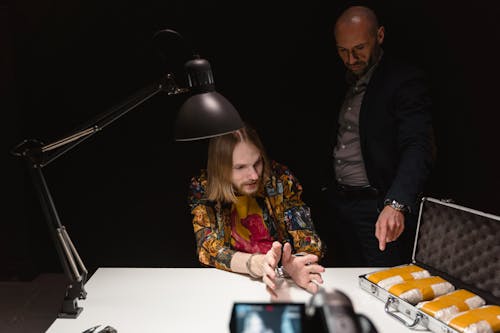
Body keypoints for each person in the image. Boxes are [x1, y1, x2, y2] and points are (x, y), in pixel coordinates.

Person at [323, 5, 434, 267]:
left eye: (359, 48)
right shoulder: (336, 80)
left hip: (377, 208)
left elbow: (418, 146)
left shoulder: (404, 81)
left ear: (380, 36)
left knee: (382, 284)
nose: (350, 59)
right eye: (343, 50)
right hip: (337, 204)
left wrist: (396, 203)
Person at [188, 125, 325, 294]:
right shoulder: (203, 186)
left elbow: (306, 233)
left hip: (281, 281)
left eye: (257, 163)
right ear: (220, 168)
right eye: (240, 167)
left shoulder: (280, 178)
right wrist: (255, 263)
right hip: (228, 282)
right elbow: (207, 248)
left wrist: (298, 262)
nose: (254, 175)